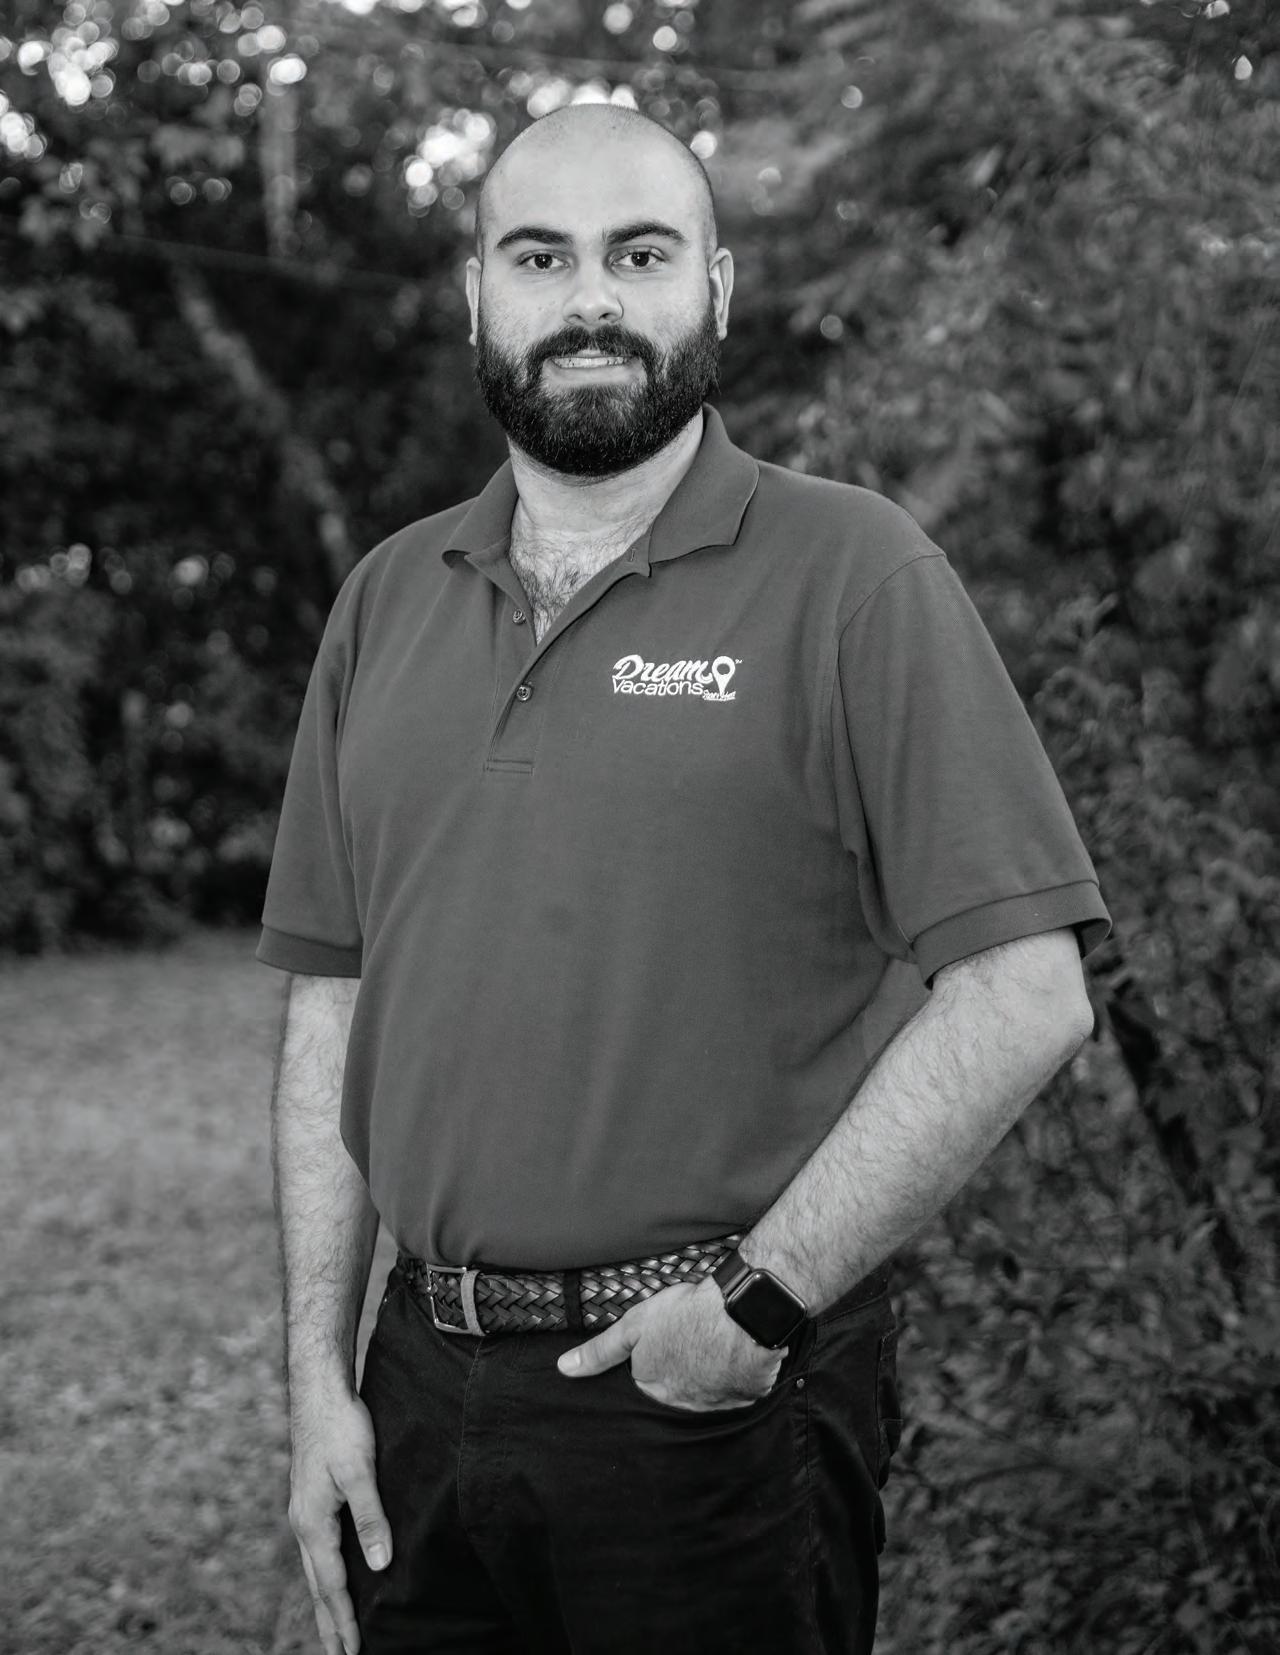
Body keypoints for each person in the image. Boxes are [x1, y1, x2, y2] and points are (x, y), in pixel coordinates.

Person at [257, 102, 1112, 1655]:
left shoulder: (854, 573)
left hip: (710, 1401)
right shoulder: (385, 599)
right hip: (419, 1390)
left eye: (640, 255)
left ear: (714, 288)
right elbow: (335, 998)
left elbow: (1026, 990)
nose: (590, 299)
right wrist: (319, 1379)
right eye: (540, 257)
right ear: (476, 295)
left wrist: (758, 1304)